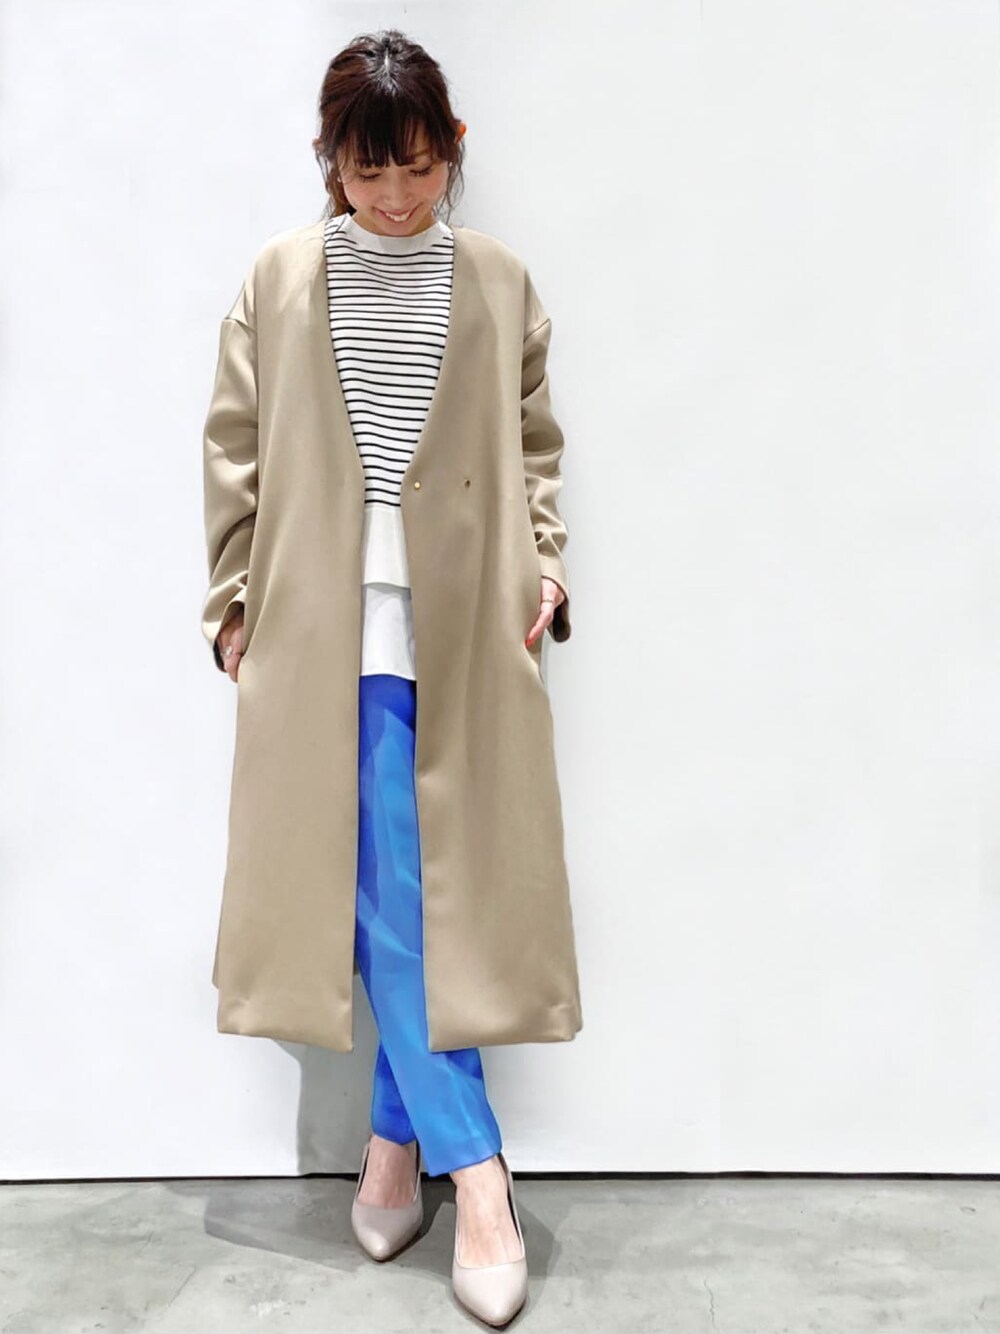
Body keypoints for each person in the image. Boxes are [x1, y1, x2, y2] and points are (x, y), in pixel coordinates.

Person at [202, 27, 579, 1327]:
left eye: (418, 168)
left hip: (466, 624)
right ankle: (479, 1173)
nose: (397, 196)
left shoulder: (497, 280)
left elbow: (534, 442)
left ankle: (393, 1145)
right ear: (331, 162)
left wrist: (547, 564)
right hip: (325, 626)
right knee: (391, 887)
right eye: (369, 173)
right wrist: (231, 600)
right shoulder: (280, 279)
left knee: (425, 887)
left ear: (452, 150)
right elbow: (235, 447)